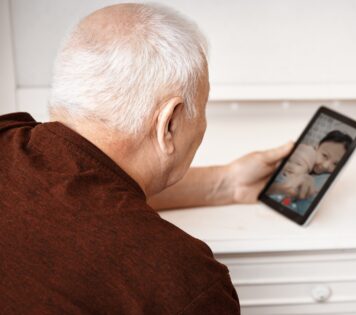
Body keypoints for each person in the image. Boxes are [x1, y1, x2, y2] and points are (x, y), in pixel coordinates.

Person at [0, 3, 292, 315]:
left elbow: (84, 187)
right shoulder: (185, 283)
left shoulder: (7, 133)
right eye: (203, 106)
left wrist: (226, 183)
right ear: (169, 122)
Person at [267, 130, 352, 208]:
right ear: (317, 146)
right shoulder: (302, 156)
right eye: (324, 156)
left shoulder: (324, 179)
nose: (325, 166)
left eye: (336, 164)